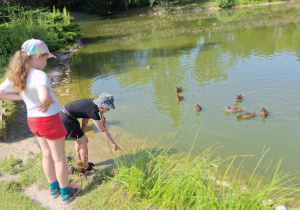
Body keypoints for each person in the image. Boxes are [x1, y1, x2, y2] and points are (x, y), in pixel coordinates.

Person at [0, 39, 79, 204]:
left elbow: (1, 93)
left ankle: (53, 189)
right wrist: (46, 100)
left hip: (33, 120)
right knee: (59, 158)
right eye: (45, 58)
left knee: (46, 154)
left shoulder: (18, 74)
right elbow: (43, 97)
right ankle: (66, 193)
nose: (45, 62)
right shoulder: (40, 75)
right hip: (49, 120)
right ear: (37, 56)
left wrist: (23, 97)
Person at [59, 92, 121, 173]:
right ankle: (85, 167)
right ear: (102, 106)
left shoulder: (91, 103)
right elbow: (102, 130)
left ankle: (79, 162)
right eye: (108, 108)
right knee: (83, 141)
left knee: (80, 140)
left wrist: (83, 133)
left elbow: (85, 120)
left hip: (63, 116)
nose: (108, 110)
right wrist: (114, 144)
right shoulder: (93, 112)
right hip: (67, 119)